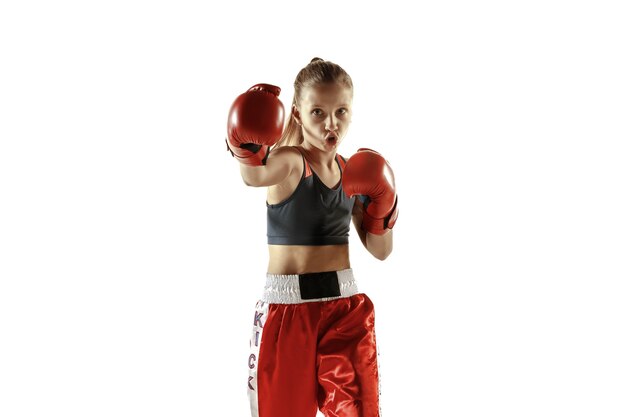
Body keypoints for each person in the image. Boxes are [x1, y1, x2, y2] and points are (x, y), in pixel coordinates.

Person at [225, 58, 398, 417]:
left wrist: (384, 210)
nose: (331, 123)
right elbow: (253, 177)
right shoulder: (291, 161)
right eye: (318, 112)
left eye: (341, 111)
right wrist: (247, 147)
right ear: (298, 115)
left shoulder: (354, 172)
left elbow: (380, 251)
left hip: (345, 308)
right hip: (289, 311)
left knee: (361, 412)